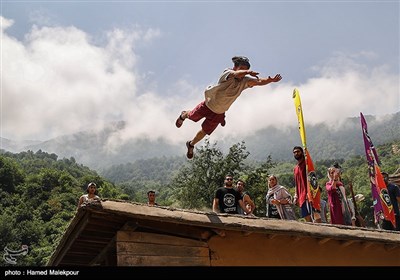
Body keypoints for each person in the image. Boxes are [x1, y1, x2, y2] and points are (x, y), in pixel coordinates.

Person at [175, 56, 282, 159]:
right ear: (236, 67)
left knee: (204, 131)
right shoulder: (227, 73)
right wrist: (248, 72)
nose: (244, 72)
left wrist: (270, 80)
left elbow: (258, 81)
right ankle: (183, 115)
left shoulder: (245, 80)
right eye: (242, 69)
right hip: (208, 105)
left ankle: (191, 144)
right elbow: (235, 74)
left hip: (219, 112)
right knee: (192, 117)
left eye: (246, 70)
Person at [292, 146, 321, 223]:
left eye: (298, 151)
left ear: (302, 152)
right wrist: (296, 196)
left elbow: (312, 176)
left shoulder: (306, 164)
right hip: (301, 196)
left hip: (309, 194)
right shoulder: (295, 168)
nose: (296, 153)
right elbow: (296, 183)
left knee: (315, 214)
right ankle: (312, 233)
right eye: (294, 152)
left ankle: (320, 231)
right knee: (306, 216)